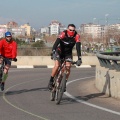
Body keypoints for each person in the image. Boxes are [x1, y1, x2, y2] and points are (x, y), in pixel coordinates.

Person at [48, 24, 82, 91]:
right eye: (70, 30)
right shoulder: (64, 33)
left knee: (68, 67)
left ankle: (64, 83)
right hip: (59, 51)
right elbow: (57, 42)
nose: (72, 31)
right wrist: (53, 51)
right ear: (67, 29)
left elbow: (78, 47)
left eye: (73, 30)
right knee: (57, 65)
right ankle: (51, 80)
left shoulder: (77, 36)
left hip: (68, 53)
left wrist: (79, 58)